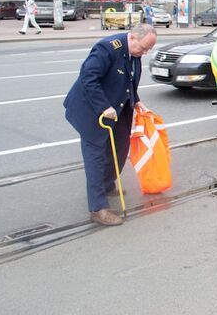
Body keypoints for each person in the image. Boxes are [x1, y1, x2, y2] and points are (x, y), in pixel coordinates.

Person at [63, 24, 157, 226]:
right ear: (131, 38)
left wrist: (136, 99)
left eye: (148, 50)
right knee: (96, 157)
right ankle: (98, 209)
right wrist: (104, 106)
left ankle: (106, 183)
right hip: (91, 111)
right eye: (143, 48)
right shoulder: (107, 48)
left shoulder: (135, 53)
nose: (145, 53)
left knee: (120, 148)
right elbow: (88, 78)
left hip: (118, 110)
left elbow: (128, 79)